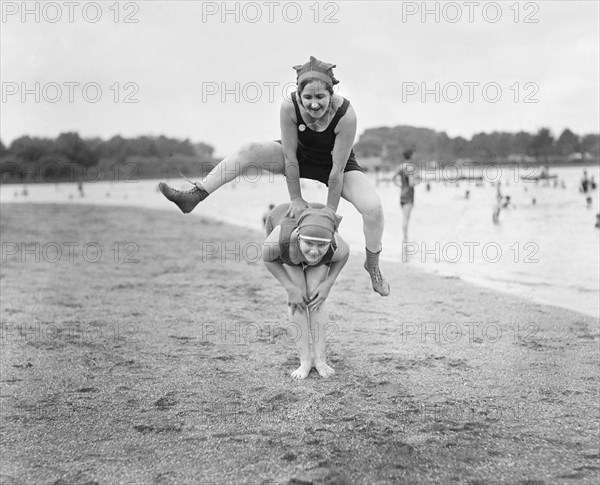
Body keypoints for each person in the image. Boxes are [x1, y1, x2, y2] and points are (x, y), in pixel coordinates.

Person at [158, 56, 389, 296]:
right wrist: (297, 199)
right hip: (298, 157)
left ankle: (373, 264)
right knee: (249, 150)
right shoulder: (289, 107)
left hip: (335, 164)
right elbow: (290, 158)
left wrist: (330, 211)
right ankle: (195, 196)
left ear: (331, 94)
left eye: (320, 97)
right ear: (299, 95)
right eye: (307, 97)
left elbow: (336, 171)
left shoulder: (345, 114)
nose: (313, 104)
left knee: (373, 209)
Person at [263, 202, 349, 379]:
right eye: (309, 243)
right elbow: (267, 259)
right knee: (298, 296)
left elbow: (344, 255)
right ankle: (305, 361)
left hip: (320, 223)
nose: (314, 251)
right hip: (289, 249)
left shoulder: (334, 243)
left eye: (321, 246)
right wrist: (290, 287)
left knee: (315, 294)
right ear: (299, 237)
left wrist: (328, 284)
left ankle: (320, 359)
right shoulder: (280, 239)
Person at [391, 149, 418, 241]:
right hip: (409, 194)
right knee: (406, 218)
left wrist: (399, 185)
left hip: (402, 194)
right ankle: (405, 237)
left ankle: (404, 236)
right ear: (410, 156)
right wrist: (417, 182)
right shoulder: (410, 168)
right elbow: (411, 183)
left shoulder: (401, 166)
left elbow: (393, 178)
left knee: (404, 216)